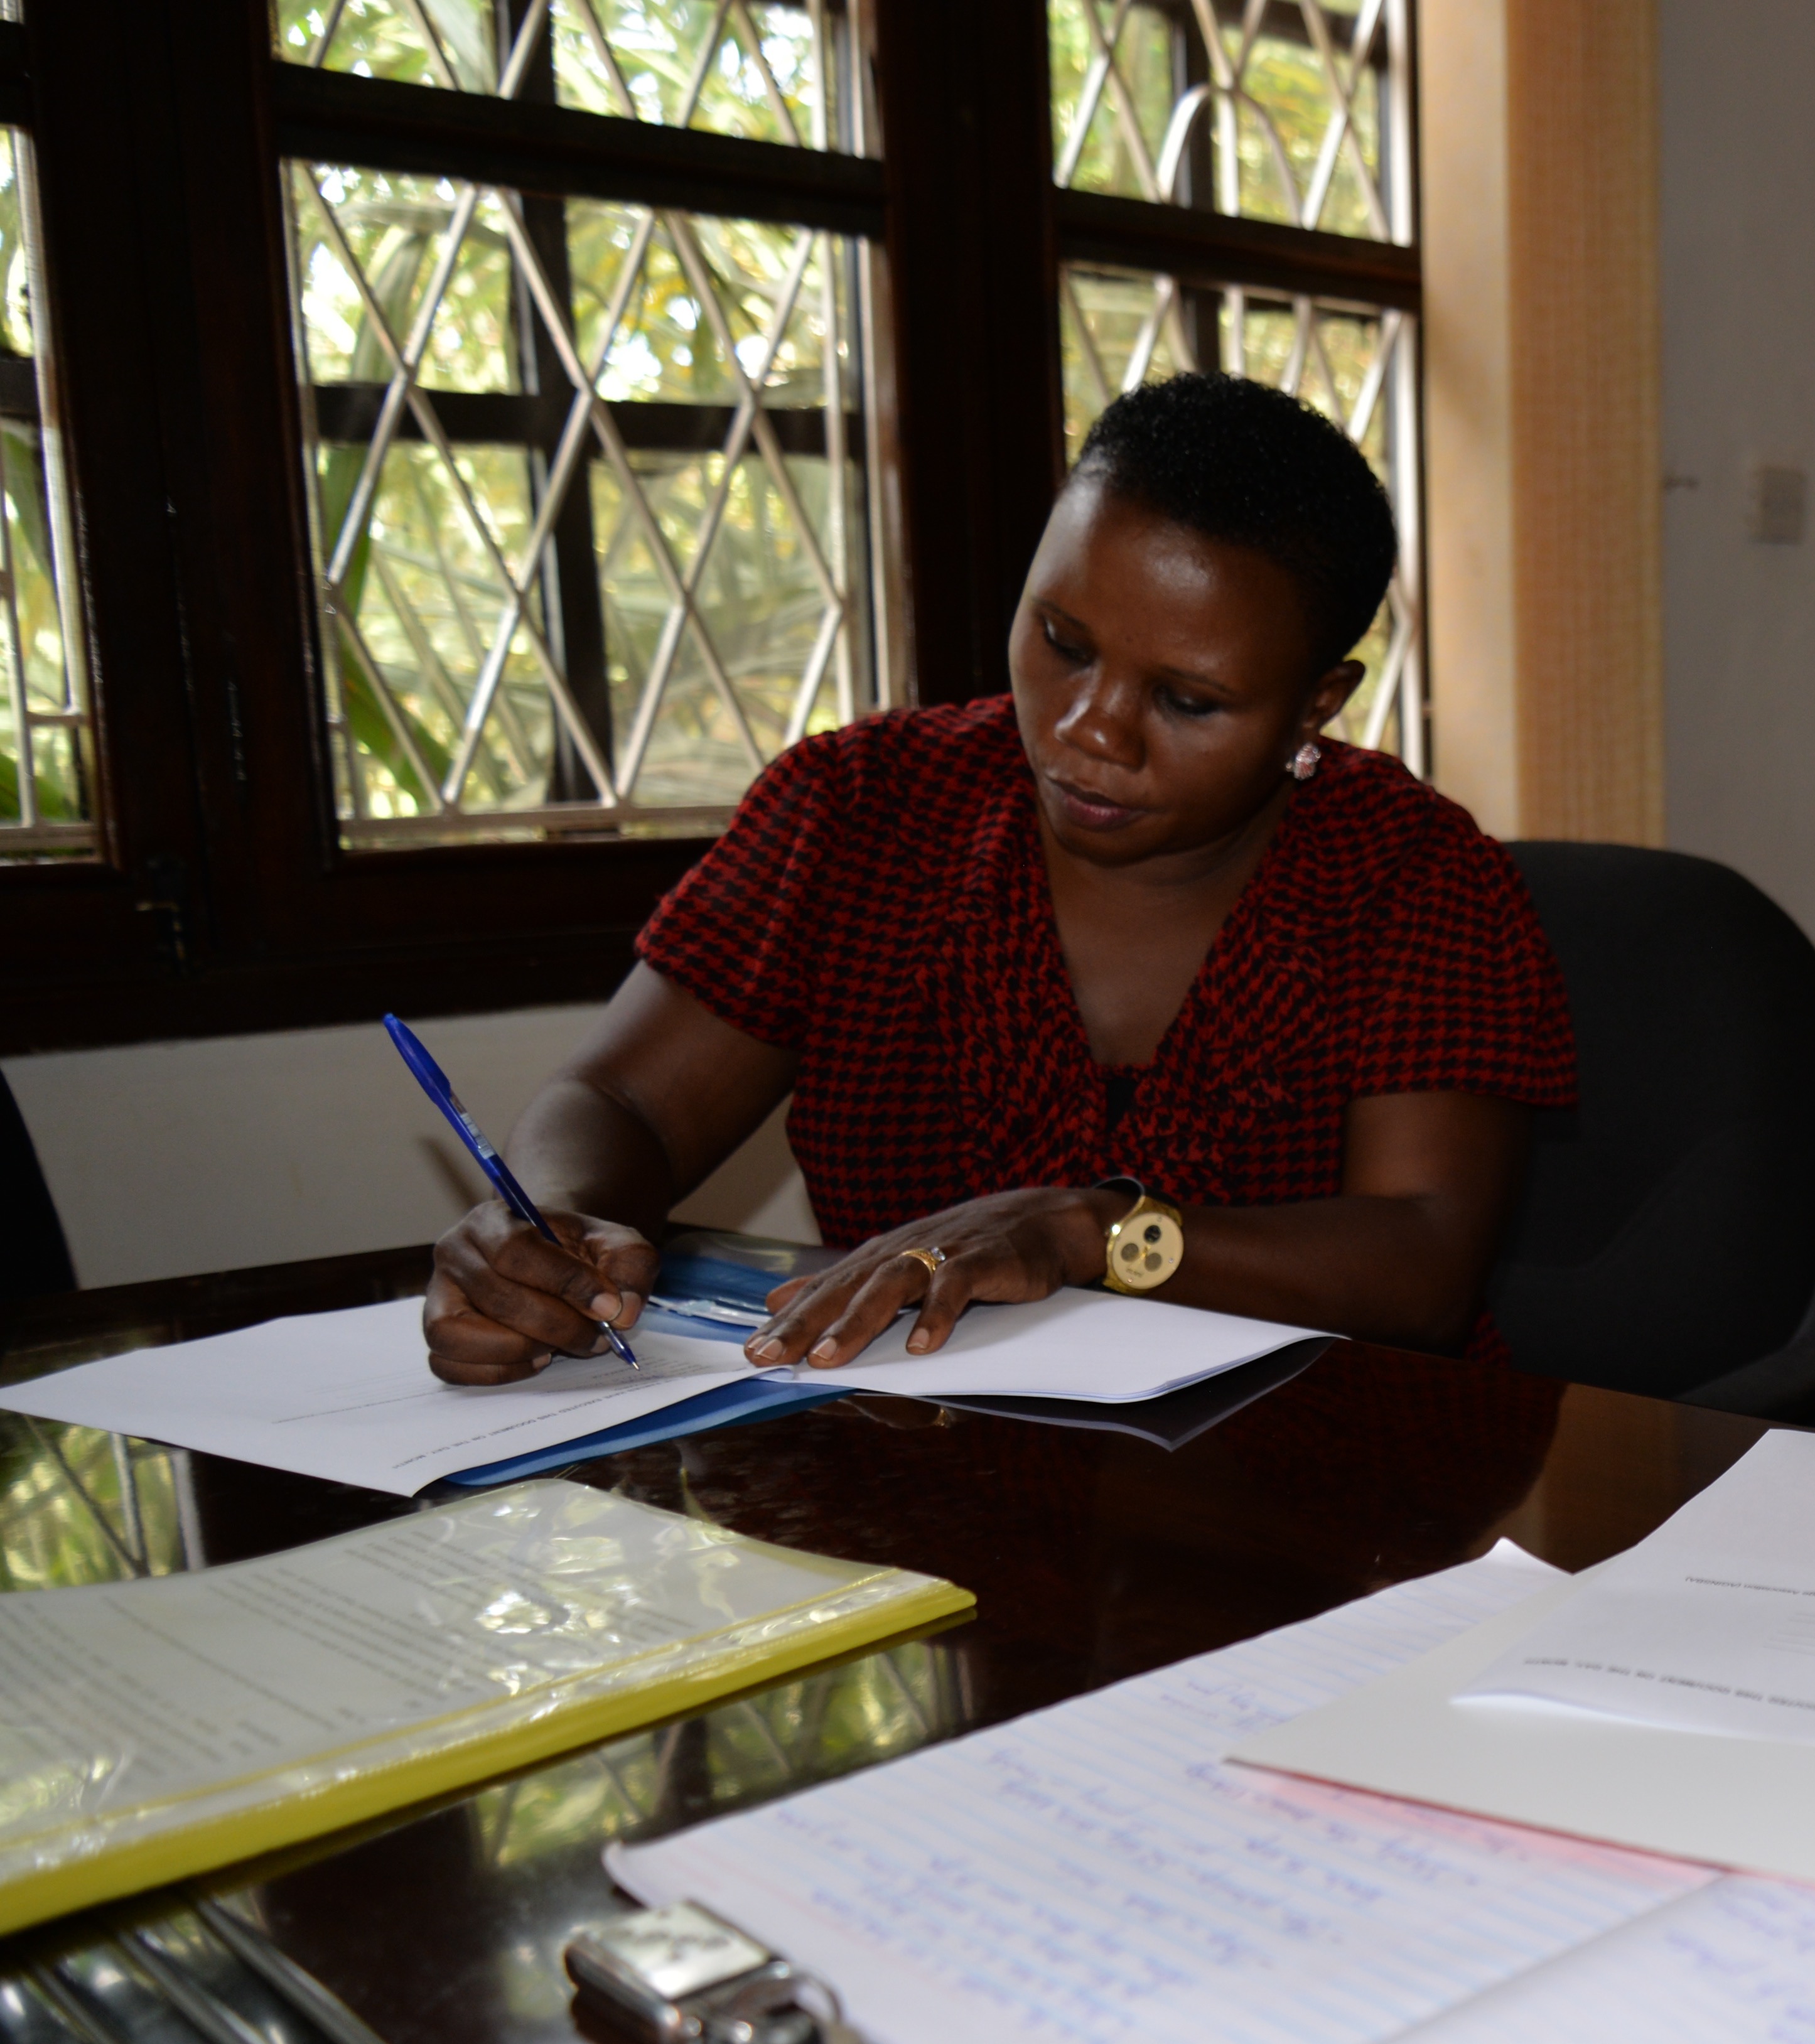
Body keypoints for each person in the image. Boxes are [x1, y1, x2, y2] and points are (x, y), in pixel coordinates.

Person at [423, 373, 1571, 1384]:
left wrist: (1090, 1231)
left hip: (1316, 1489)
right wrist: (553, 1225)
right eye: (1063, 642)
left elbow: (1421, 1264)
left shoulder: (1416, 877)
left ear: (1316, 704)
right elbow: (623, 1103)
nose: (1090, 729)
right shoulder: (862, 811)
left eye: (1188, 701)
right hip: (914, 1471)